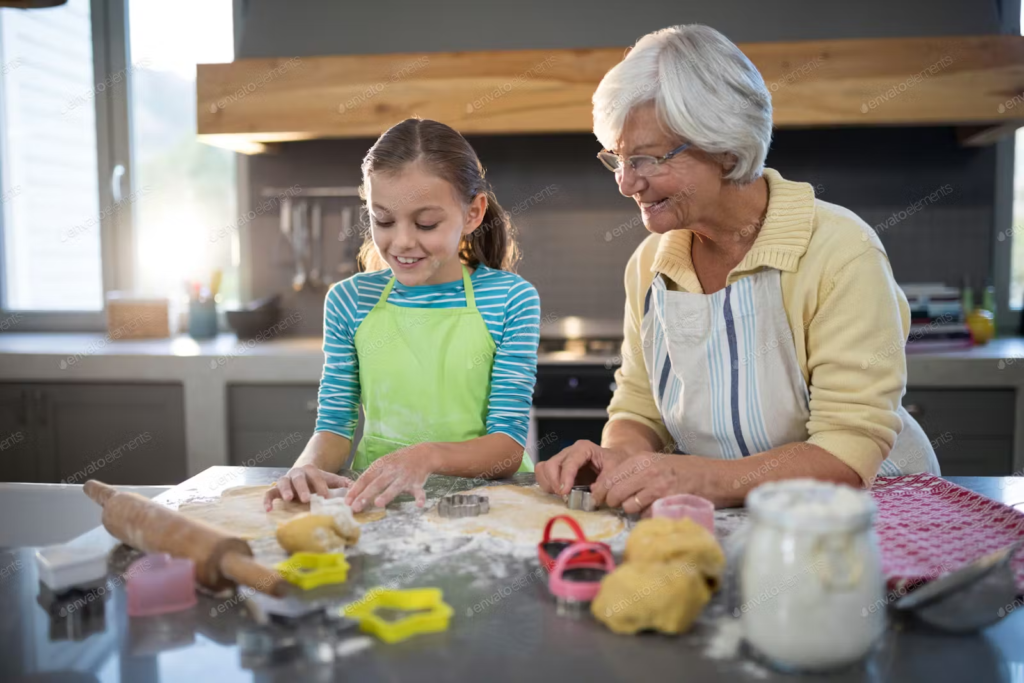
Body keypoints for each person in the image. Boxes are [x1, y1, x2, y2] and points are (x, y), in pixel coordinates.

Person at [536, 24, 939, 513]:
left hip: (874, 517)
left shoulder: (840, 252)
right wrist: (619, 459)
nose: (626, 184)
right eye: (618, 158)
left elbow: (846, 454)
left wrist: (701, 477)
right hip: (735, 517)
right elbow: (639, 407)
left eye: (645, 159)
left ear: (725, 147)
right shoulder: (650, 263)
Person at [265, 118, 540, 513]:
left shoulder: (510, 300)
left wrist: (424, 457)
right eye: (384, 220)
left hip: (485, 506)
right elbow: (334, 426)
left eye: (426, 223)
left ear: (473, 213)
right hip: (380, 502)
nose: (403, 241)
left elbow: (507, 448)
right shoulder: (349, 301)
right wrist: (305, 469)